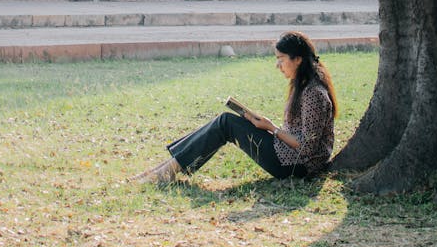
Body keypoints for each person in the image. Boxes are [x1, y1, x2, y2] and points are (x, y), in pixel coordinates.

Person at [134, 31, 338, 185]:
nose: (278, 66)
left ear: (298, 59)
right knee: (226, 122)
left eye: (281, 59)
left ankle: (167, 171)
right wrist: (265, 125)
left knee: (226, 123)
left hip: (296, 166)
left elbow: (308, 147)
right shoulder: (301, 86)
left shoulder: (313, 93)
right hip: (287, 154)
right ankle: (165, 168)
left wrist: (271, 128)